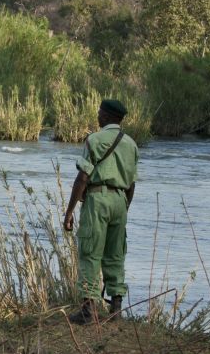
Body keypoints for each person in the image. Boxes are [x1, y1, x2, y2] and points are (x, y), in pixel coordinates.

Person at [63, 99, 138, 325]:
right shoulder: (131, 144)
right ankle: (116, 310)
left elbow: (82, 178)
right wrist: (124, 207)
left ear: (105, 116)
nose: (97, 116)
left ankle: (88, 312)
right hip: (120, 201)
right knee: (116, 255)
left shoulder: (94, 139)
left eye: (99, 113)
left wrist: (69, 212)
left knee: (90, 253)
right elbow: (132, 184)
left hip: (97, 199)